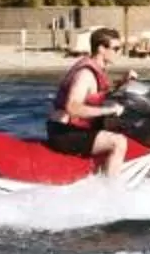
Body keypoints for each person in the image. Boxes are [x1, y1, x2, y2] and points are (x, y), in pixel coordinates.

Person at [47, 26, 134, 177]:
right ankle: (112, 191)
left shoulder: (97, 69)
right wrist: (109, 110)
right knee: (119, 142)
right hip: (65, 133)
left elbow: (97, 94)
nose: (119, 52)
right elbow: (72, 107)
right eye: (116, 48)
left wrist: (123, 82)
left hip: (76, 129)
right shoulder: (85, 74)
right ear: (101, 48)